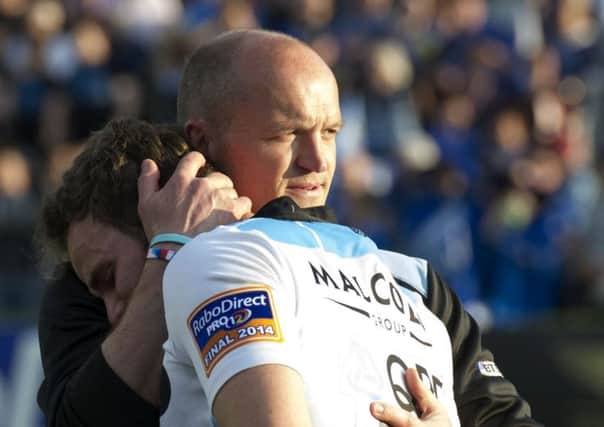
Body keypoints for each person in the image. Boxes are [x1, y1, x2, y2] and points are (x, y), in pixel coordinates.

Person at [36, 29, 540, 426]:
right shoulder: (105, 276)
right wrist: (170, 254)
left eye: (331, 132)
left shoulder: (414, 280)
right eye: (287, 133)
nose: (318, 160)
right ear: (203, 141)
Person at [38, 117, 451, 427]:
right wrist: (170, 252)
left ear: (162, 210)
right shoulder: (75, 295)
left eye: (110, 277)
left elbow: (500, 413)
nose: (109, 310)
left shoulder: (406, 285)